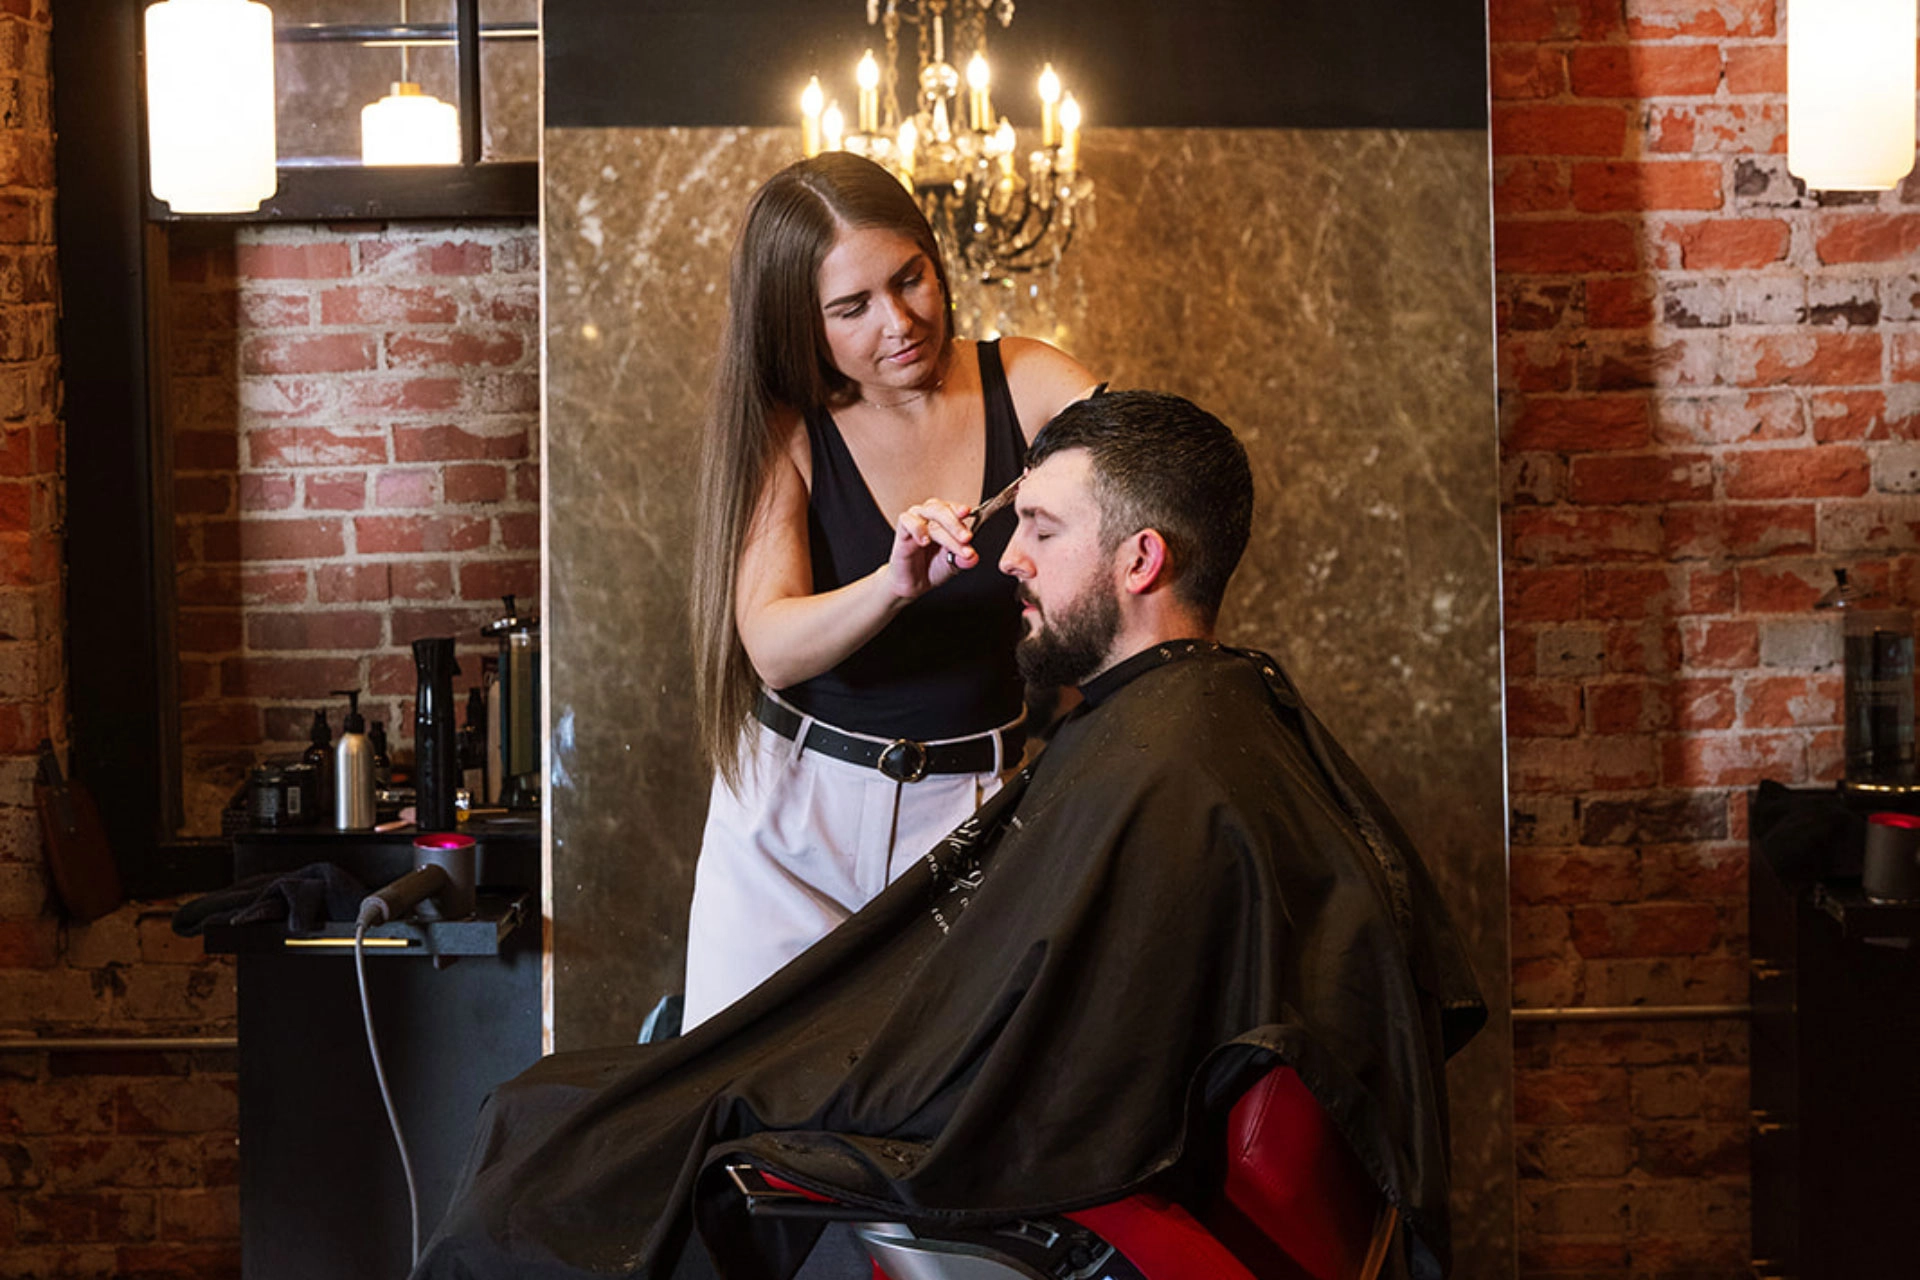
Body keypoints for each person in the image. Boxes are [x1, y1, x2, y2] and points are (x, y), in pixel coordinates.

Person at [414, 390, 1485, 1280]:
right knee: (573, 1110)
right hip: (948, 1081)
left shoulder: (1170, 765)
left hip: (998, 1140)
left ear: (1141, 559)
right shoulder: (1195, 730)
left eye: (1044, 529)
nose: (1008, 559)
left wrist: (815, 1099)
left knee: (555, 1132)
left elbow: (1063, 1084)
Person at [684, 151, 1100, 1028]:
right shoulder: (786, 428)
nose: (900, 322)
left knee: (950, 1098)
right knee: (750, 1096)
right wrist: (894, 583)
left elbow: (1148, 463)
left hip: (972, 817)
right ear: (800, 324)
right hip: (794, 824)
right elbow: (771, 646)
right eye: (853, 307)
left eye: (911, 279)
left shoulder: (1023, 379)